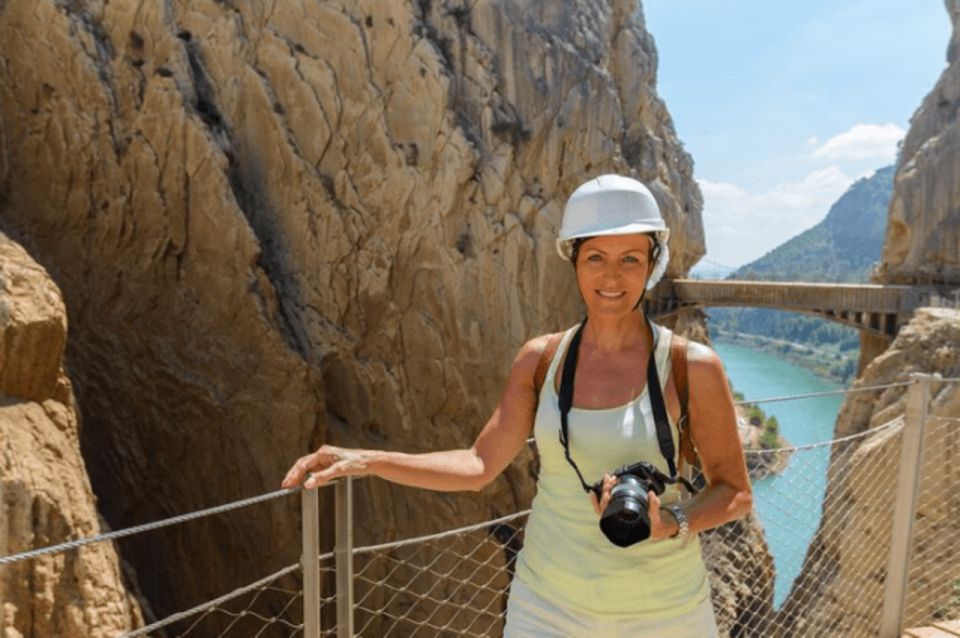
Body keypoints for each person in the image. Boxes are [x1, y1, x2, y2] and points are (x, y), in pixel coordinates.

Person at [282, 174, 753, 637]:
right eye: (595, 257)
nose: (612, 276)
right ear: (573, 261)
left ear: (652, 264)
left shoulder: (690, 366)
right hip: (547, 607)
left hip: (664, 613)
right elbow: (479, 463)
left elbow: (734, 491)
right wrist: (366, 460)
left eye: (630, 259)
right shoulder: (541, 360)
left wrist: (667, 524)